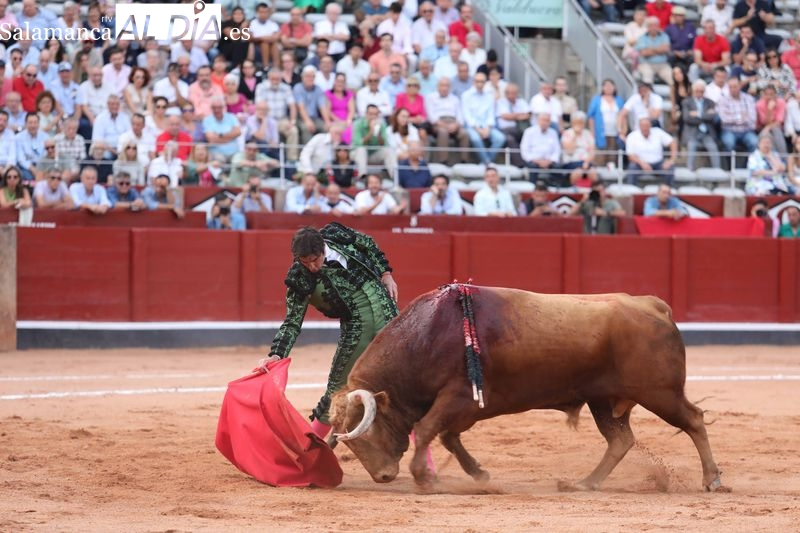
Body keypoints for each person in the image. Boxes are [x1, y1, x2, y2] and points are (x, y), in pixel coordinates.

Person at [255, 223, 399, 440]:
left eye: (316, 260)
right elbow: (292, 322)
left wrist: (386, 273)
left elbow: (368, 244)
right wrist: (276, 354)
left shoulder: (336, 235)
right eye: (305, 262)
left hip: (388, 313)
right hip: (356, 329)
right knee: (336, 389)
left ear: (324, 247)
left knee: (402, 380)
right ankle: (312, 448)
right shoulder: (299, 277)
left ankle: (424, 460)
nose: (312, 267)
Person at [626, 116, 678, 186]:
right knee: (632, 167)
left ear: (650, 125)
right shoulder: (632, 136)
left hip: (658, 163)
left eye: (646, 126)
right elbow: (630, 155)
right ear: (639, 126)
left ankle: (667, 190)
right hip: (640, 163)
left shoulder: (658, 132)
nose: (644, 128)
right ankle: (631, 190)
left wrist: (671, 160)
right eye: (642, 126)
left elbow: (672, 142)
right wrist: (642, 163)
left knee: (670, 168)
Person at [682, 79, 722, 171]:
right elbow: (687, 118)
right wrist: (705, 114)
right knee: (691, 146)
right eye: (697, 91)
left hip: (706, 132)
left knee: (713, 146)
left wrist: (697, 114)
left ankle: (717, 170)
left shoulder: (710, 102)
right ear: (693, 91)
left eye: (702, 91)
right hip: (692, 132)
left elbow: (712, 117)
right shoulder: (687, 102)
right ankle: (689, 170)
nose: (699, 93)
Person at [351, 104, 398, 179]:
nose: (373, 117)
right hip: (357, 154)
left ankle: (395, 178)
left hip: (374, 154)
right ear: (366, 114)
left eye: (375, 114)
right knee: (361, 150)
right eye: (371, 114)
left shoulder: (381, 124)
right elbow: (358, 144)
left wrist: (378, 134)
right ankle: (362, 177)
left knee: (388, 151)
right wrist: (370, 132)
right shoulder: (358, 124)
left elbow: (384, 144)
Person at [587, 79, 625, 167]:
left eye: (611, 86)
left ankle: (612, 172)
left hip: (614, 131)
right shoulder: (597, 100)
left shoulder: (619, 100)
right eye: (606, 86)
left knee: (612, 152)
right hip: (600, 131)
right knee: (600, 153)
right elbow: (591, 117)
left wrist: (622, 130)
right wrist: (592, 132)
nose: (608, 88)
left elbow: (623, 116)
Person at [520, 113, 561, 185]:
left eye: (547, 121)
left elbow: (557, 150)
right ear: (538, 121)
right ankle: (532, 187)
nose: (545, 123)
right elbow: (524, 150)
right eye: (543, 120)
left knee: (558, 167)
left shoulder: (553, 133)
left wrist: (550, 161)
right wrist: (538, 161)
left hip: (549, 161)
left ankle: (555, 188)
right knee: (533, 167)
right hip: (533, 160)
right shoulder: (529, 132)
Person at [560, 111, 598, 187]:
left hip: (586, 162)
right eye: (576, 123)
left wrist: (586, 162)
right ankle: (574, 190)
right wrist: (575, 136)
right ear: (572, 123)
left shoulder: (588, 134)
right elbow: (569, 150)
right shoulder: (567, 134)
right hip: (572, 162)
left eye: (581, 123)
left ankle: (592, 193)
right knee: (578, 172)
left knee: (592, 173)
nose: (579, 125)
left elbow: (592, 151)